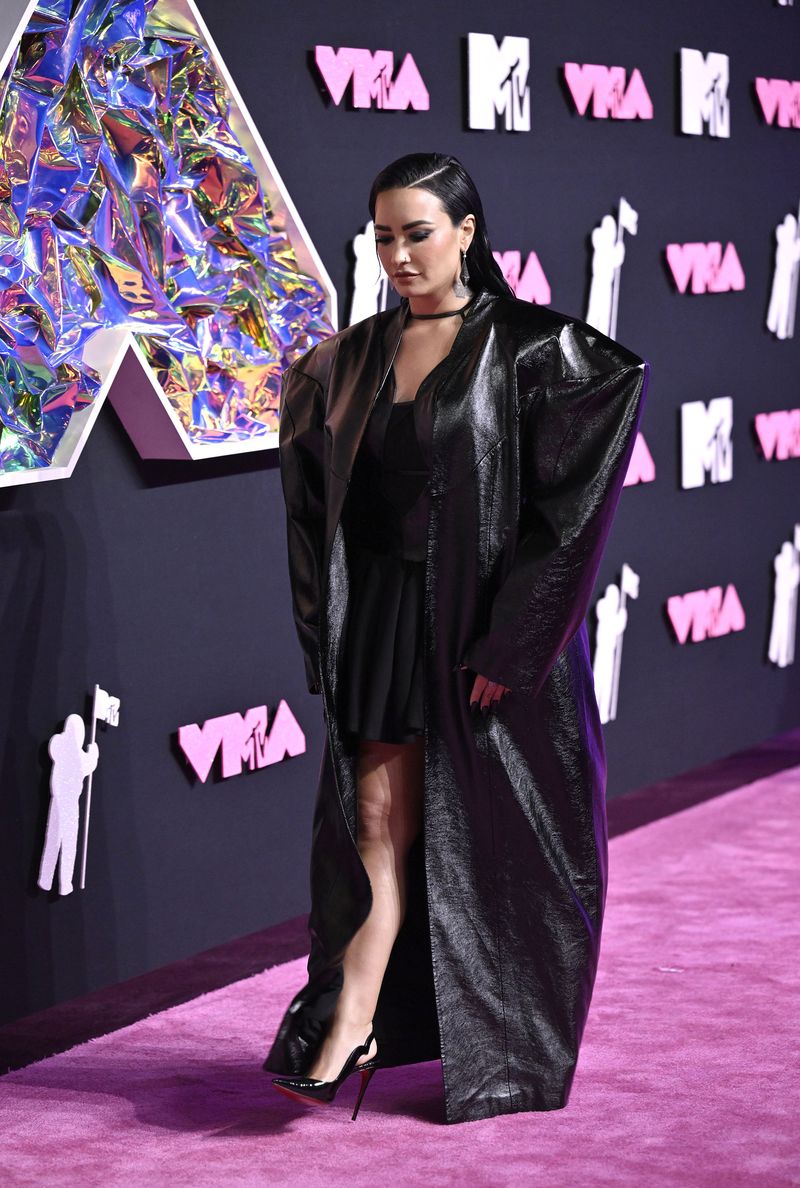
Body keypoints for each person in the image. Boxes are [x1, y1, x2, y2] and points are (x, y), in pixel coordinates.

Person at [264, 152, 650, 1125]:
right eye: (383, 237)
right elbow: (313, 510)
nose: (399, 255)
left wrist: (515, 640)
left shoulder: (536, 350)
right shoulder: (346, 360)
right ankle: (351, 1019)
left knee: (490, 839)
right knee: (374, 825)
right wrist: (321, 629)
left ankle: (504, 1050)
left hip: (480, 633)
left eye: (418, 234)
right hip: (385, 621)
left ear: (466, 232)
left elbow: (568, 513)